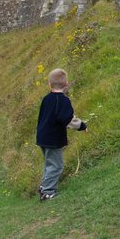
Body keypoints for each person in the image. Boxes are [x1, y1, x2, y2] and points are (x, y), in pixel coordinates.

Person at [36, 68, 87, 201]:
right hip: (53, 139)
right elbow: (68, 120)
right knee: (56, 165)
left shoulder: (46, 99)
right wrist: (82, 125)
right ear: (66, 84)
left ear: (49, 84)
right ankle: (48, 191)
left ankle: (44, 186)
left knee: (49, 163)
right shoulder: (63, 101)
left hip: (42, 137)